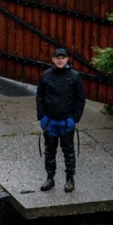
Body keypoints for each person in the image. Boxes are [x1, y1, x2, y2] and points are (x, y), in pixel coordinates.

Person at [37, 48, 86, 192]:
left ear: (67, 59)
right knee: (49, 151)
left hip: (66, 122)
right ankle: (50, 178)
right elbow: (39, 96)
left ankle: (70, 179)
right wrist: (41, 117)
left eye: (63, 58)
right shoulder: (46, 76)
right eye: (57, 58)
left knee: (69, 152)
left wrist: (75, 119)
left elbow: (80, 99)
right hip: (50, 122)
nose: (60, 60)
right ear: (53, 60)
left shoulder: (74, 77)